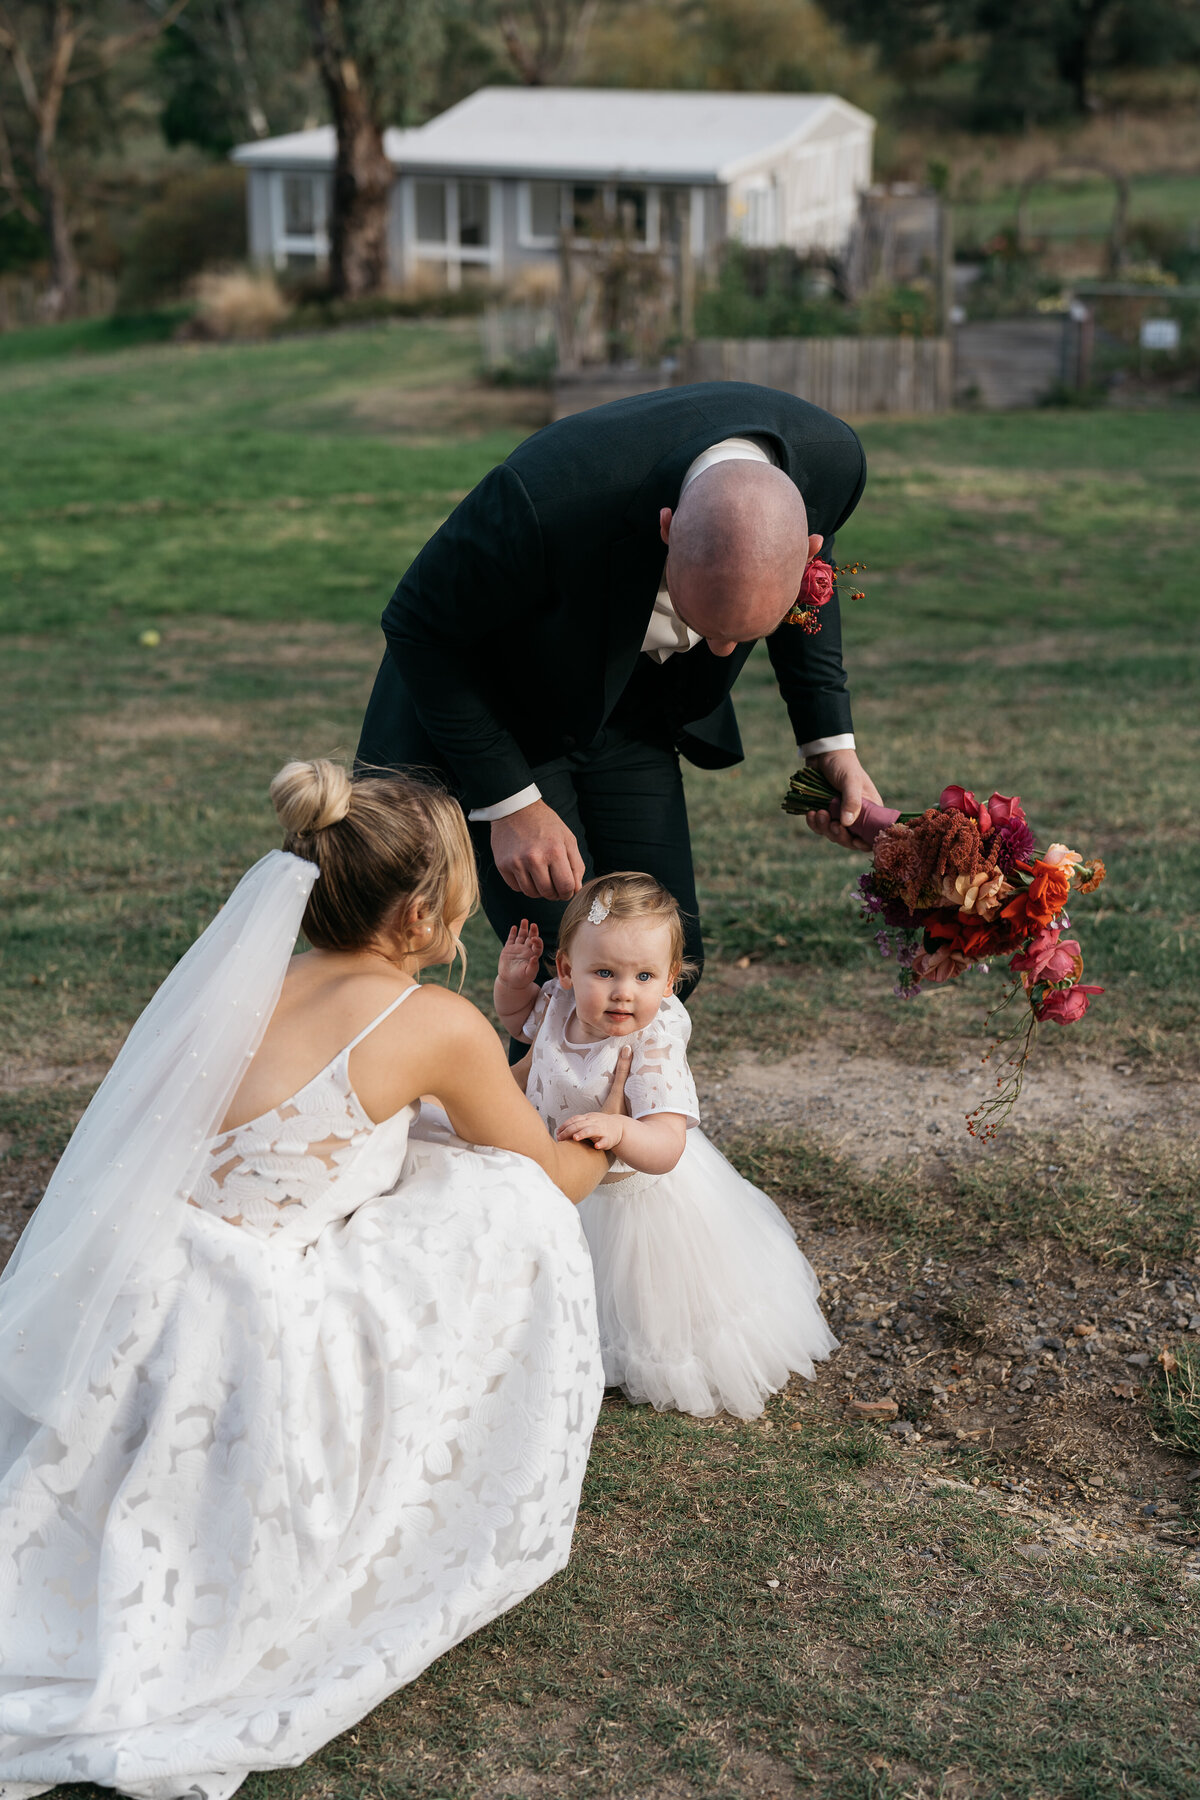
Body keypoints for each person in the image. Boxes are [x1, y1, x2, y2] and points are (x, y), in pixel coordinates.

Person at [0, 759, 624, 1800]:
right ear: (423, 907)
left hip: (142, 1286)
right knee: (507, 1201)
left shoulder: (251, 981)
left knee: (441, 1154)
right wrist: (611, 1129)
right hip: (246, 1318)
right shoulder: (432, 1022)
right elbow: (549, 1175)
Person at [357, 381, 881, 993]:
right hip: (507, 709)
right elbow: (417, 624)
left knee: (666, 966)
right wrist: (513, 805)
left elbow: (810, 599)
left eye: (741, 637)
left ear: (810, 544)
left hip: (633, 710)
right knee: (574, 973)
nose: (716, 652)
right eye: (704, 624)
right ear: (667, 528)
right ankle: (530, 1092)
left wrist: (829, 743)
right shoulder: (547, 493)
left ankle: (626, 1094)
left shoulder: (832, 464)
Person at [493, 873, 839, 1421]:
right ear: (564, 970)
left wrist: (622, 1132)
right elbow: (520, 1022)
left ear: (671, 981)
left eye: (644, 975)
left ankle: (634, 1355)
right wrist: (513, 984)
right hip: (562, 1175)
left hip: (636, 1197)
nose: (623, 991)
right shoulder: (560, 1004)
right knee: (559, 1277)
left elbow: (668, 1146)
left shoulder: (652, 1046)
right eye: (603, 972)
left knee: (636, 1295)